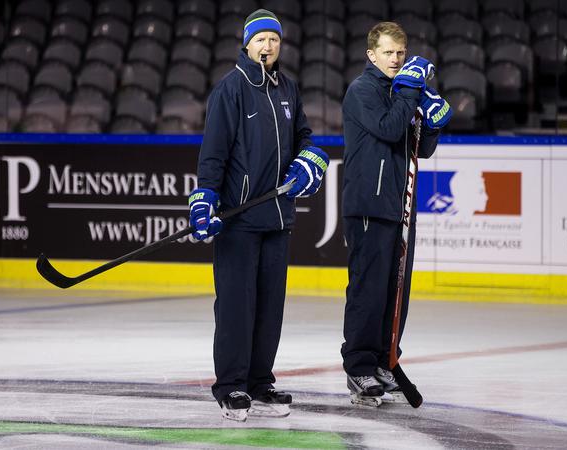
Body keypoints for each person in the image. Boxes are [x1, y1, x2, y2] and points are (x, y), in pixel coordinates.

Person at [188, 9, 329, 422]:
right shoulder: (229, 90)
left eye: (275, 39)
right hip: (239, 219)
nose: (268, 46)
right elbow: (213, 154)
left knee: (270, 306)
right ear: (246, 44)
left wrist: (311, 159)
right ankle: (230, 385)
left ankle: (258, 382)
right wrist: (204, 197)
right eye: (261, 39)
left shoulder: (288, 88)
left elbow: (304, 136)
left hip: (279, 218)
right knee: (236, 305)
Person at [340, 22, 453, 407]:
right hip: (368, 205)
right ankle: (358, 366)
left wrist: (433, 125)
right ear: (372, 55)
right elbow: (389, 129)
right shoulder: (363, 91)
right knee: (367, 290)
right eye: (389, 53)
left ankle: (384, 361)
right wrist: (409, 93)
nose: (396, 59)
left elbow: (418, 149)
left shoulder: (401, 93)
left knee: (395, 292)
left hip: (399, 207)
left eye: (401, 53)